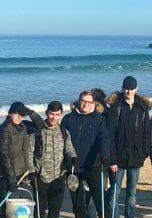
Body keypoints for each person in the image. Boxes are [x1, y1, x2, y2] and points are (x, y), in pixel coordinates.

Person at [105, 76, 152, 218]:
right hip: (117, 160)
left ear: (136, 89)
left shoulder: (142, 108)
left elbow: (147, 132)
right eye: (126, 88)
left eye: (131, 88)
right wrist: (112, 159)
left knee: (131, 193)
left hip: (135, 157)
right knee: (114, 192)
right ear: (123, 88)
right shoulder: (116, 107)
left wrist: (144, 153)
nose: (129, 91)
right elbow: (110, 136)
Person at [63, 90, 113, 218]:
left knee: (100, 202)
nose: (85, 104)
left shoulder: (99, 119)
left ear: (93, 103)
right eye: (83, 101)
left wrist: (105, 154)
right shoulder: (69, 118)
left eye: (88, 102)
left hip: (93, 166)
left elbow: (103, 138)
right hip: (74, 168)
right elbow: (61, 140)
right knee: (78, 205)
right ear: (78, 101)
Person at [0, 102, 42, 217]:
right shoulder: (4, 129)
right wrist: (11, 178)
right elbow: (4, 156)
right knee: (8, 210)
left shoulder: (23, 126)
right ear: (10, 113)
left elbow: (40, 126)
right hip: (8, 176)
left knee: (19, 211)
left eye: (22, 114)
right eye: (16, 114)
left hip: (22, 174)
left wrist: (31, 113)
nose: (19, 117)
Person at [34, 101, 78, 218]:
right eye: (51, 114)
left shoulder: (64, 132)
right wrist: (31, 172)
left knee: (55, 211)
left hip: (59, 176)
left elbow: (69, 148)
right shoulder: (37, 131)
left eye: (57, 114)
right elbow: (29, 152)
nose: (54, 117)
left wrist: (73, 157)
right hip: (40, 176)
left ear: (61, 114)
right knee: (39, 211)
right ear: (46, 113)